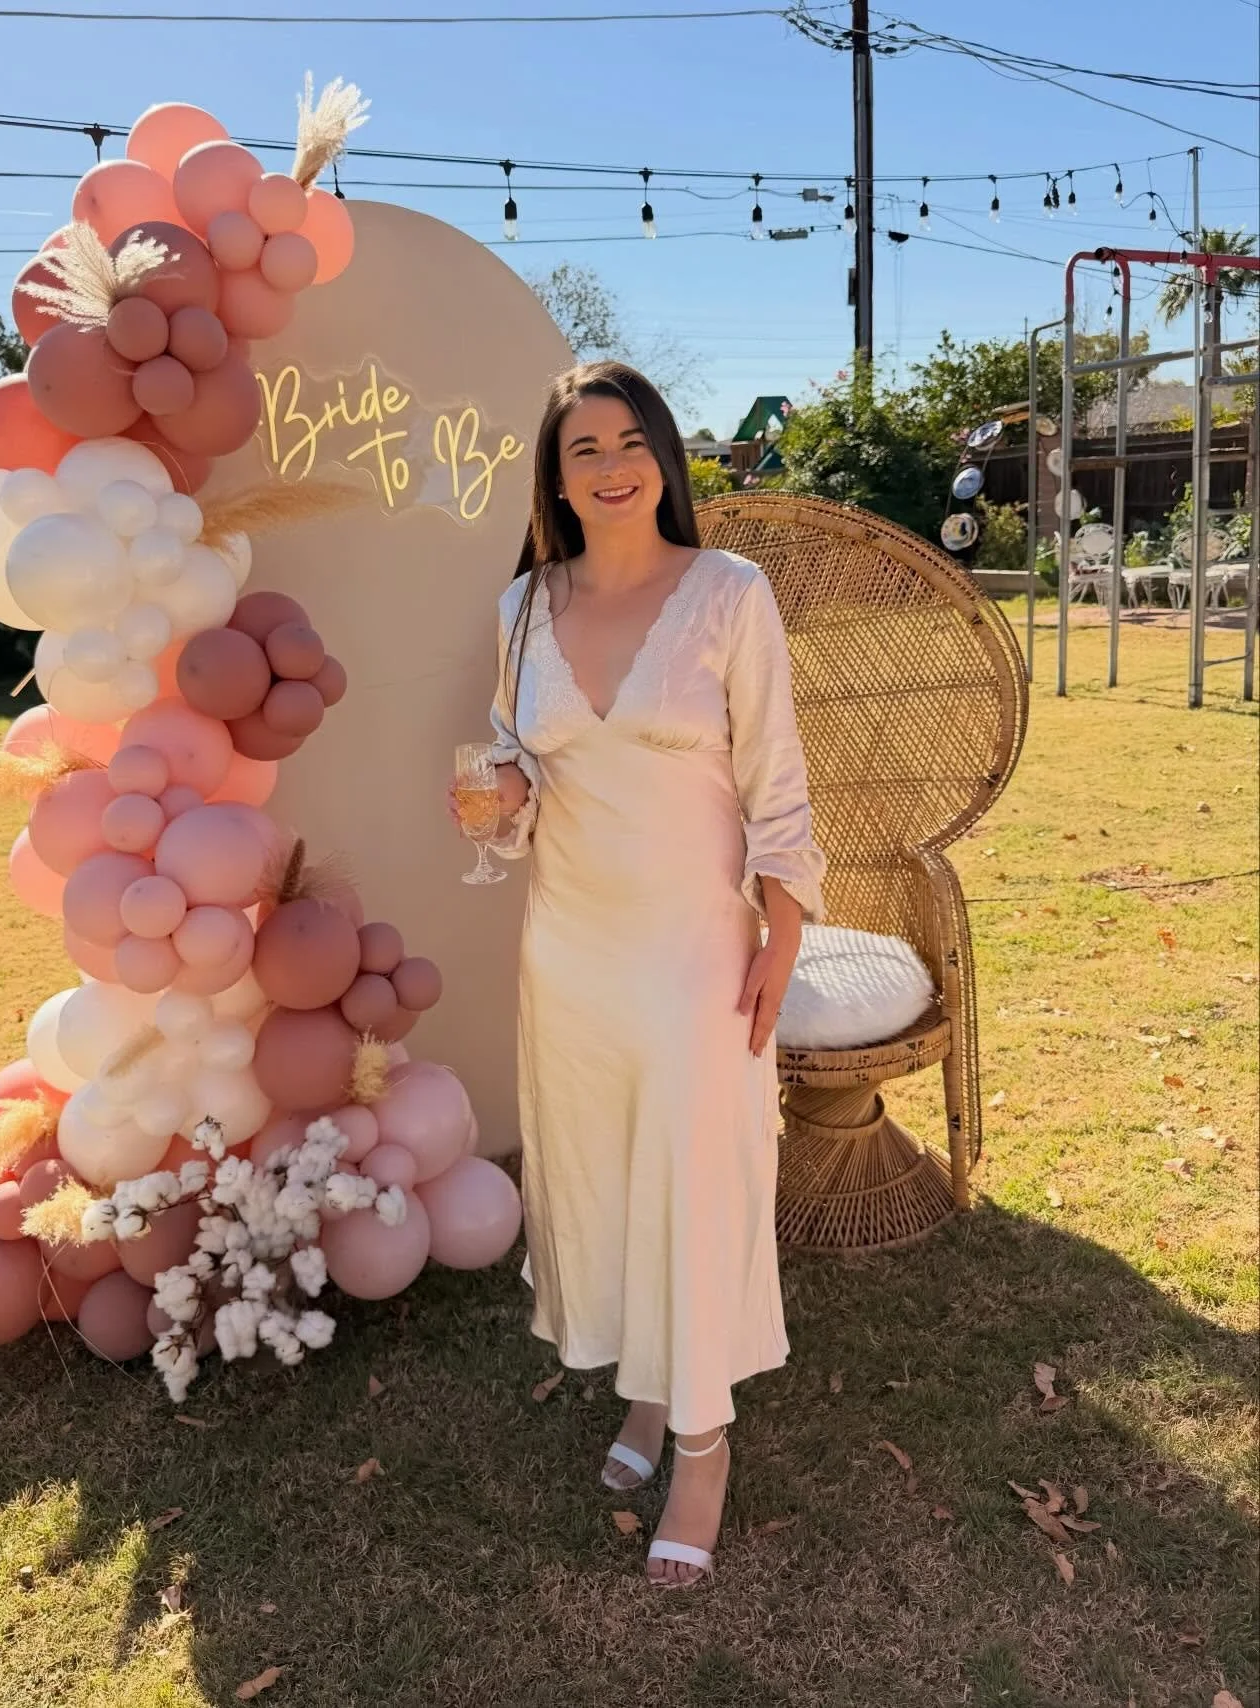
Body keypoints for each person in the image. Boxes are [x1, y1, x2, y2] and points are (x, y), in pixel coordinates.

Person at [460, 361, 825, 1588]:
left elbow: (778, 784)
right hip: (568, 949)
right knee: (608, 1181)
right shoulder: (520, 608)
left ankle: (705, 1442)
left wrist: (783, 936)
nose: (609, 465)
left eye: (628, 440)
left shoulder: (732, 594)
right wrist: (495, 798)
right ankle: (649, 1392)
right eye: (582, 450)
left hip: (690, 950)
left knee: (692, 1177)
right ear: (555, 481)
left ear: (664, 456)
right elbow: (516, 772)